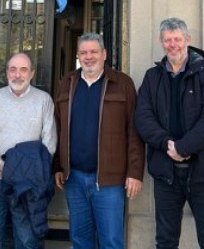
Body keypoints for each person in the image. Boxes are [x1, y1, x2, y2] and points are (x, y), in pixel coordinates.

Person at [135, 18, 204, 249]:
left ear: (188, 40)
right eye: (167, 40)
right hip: (166, 174)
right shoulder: (152, 77)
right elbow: (143, 118)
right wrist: (169, 145)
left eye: (177, 39)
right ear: (161, 42)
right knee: (165, 240)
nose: (172, 44)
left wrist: (183, 147)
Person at [52, 33, 144, 249]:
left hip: (109, 181)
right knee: (80, 240)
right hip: (73, 178)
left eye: (94, 52)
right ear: (77, 56)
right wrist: (57, 165)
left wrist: (135, 172)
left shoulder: (122, 84)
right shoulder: (67, 83)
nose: (88, 57)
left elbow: (135, 131)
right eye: (83, 52)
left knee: (111, 241)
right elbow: (56, 127)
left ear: (104, 54)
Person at [0, 53, 56, 249]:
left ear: (32, 73)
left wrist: (24, 170)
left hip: (27, 183)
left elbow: (49, 143)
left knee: (27, 239)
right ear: (7, 73)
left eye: (23, 70)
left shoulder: (43, 100)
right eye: (13, 69)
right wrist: (1, 165)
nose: (17, 75)